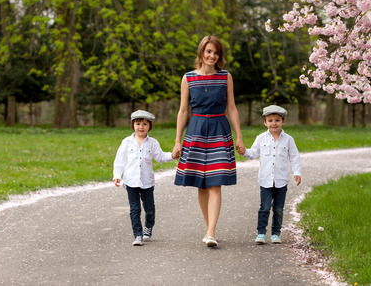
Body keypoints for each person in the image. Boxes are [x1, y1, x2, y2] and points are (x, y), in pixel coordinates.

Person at [172, 35, 244, 247]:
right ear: (201, 53)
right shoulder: (188, 78)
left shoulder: (225, 77)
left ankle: (211, 231)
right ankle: (209, 229)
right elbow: (183, 110)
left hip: (219, 130)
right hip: (195, 130)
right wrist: (178, 141)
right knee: (201, 185)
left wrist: (239, 136)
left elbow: (231, 107)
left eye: (216, 52)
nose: (212, 56)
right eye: (209, 51)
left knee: (215, 183)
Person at [113, 110, 177, 246]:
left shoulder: (152, 143)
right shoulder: (127, 142)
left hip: (147, 182)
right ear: (133, 125)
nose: (141, 127)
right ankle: (138, 235)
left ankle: (148, 227)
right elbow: (120, 160)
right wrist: (117, 175)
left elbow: (160, 157)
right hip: (131, 181)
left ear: (149, 126)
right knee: (135, 209)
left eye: (144, 124)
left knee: (149, 209)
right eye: (138, 124)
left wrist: (172, 155)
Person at [239, 105, 301, 244]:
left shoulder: (288, 139)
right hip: (265, 180)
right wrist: (244, 152)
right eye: (271, 120)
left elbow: (294, 157)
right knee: (265, 207)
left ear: (283, 121)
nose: (274, 123)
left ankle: (275, 234)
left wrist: (297, 172)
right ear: (265, 122)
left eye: (277, 120)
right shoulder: (261, 138)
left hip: (281, 181)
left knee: (278, 209)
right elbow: (254, 153)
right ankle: (261, 233)